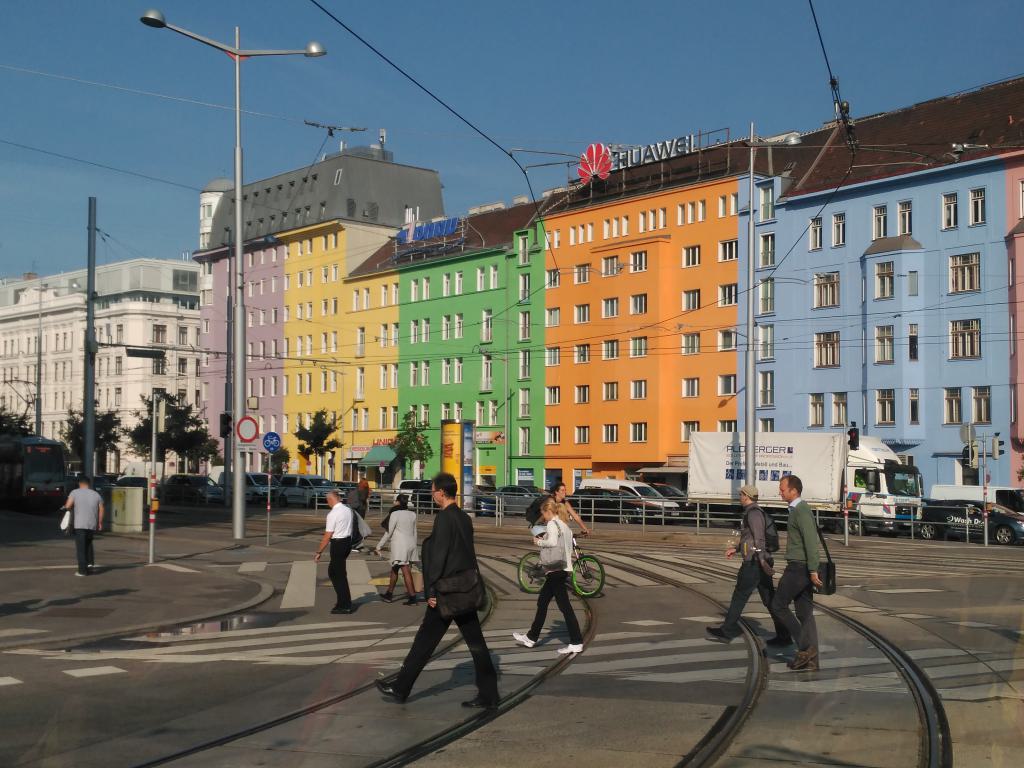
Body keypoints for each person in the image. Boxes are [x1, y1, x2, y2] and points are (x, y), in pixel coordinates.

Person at [377, 472, 498, 709]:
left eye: (433, 491)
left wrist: (431, 591)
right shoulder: (464, 517)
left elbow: (439, 556)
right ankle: (489, 694)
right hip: (464, 589)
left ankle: (401, 688)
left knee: (424, 641)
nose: (432, 495)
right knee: (476, 644)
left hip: (446, 592)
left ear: (441, 493)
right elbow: (466, 553)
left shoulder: (444, 518)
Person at [706, 485, 791, 646]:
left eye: (741, 494)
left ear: (746, 496)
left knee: (740, 595)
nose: (739, 497)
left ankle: (727, 630)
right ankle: (784, 635)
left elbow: (758, 538)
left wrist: (760, 559)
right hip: (758, 561)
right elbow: (749, 538)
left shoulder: (753, 513)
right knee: (769, 600)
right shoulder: (754, 512)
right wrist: (736, 548)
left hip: (754, 563)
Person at [513, 498, 584, 655]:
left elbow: (551, 542)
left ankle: (576, 641)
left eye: (543, 514)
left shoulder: (552, 524)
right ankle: (531, 637)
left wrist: (539, 542)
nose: (543, 517)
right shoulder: (565, 526)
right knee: (542, 602)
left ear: (548, 511)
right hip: (562, 569)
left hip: (555, 570)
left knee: (565, 607)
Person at [772, 475, 823, 671]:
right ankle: (811, 661)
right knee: (804, 613)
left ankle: (805, 647)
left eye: (783, 489)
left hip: (799, 567)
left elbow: (811, 541)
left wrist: (812, 569)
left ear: (794, 491)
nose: (780, 492)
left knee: (778, 605)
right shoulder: (796, 510)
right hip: (801, 566)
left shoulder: (801, 510)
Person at [314, 490, 355, 614]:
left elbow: (327, 535)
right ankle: (343, 600)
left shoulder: (333, 514)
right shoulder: (348, 510)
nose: (328, 504)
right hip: (347, 542)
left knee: (339, 575)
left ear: (331, 500)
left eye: (327, 501)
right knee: (333, 572)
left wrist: (319, 551)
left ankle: (345, 604)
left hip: (338, 544)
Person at [375, 495, 418, 605]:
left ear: (398, 502)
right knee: (395, 568)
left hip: (400, 546)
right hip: (410, 544)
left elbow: (389, 532)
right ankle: (389, 593)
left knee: (405, 570)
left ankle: (412, 597)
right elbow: (415, 532)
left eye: (395, 500)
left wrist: (379, 546)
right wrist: (414, 547)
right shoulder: (412, 514)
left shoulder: (395, 514)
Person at [62, 476, 104, 577]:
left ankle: (82, 571)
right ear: (88, 484)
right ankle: (90, 565)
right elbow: (101, 509)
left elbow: (68, 506)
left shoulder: (75, 492)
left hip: (79, 524)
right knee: (88, 544)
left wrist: (66, 507)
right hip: (92, 524)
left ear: (80, 483)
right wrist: (100, 522)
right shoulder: (96, 494)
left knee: (81, 547)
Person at [525, 481, 590, 536]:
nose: (565, 492)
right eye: (562, 490)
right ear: (556, 492)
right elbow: (547, 516)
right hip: (540, 525)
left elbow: (575, 516)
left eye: (565, 490)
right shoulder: (550, 501)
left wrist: (584, 528)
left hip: (551, 526)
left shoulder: (564, 502)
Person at [347, 478, 370, 551]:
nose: (366, 484)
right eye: (366, 483)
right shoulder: (365, 490)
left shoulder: (357, 489)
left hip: (355, 508)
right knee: (358, 526)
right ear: (364, 483)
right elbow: (363, 499)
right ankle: (355, 542)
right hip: (360, 509)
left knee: (355, 525)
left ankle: (354, 542)